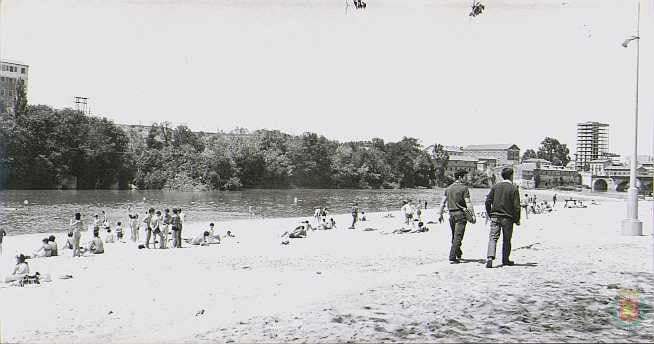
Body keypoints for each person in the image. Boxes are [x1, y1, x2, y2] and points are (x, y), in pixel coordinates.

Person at [485, 167, 521, 269]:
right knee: (507, 239)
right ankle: (505, 260)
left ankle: (490, 257)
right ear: (511, 176)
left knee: (493, 238)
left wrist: (490, 214)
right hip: (507, 218)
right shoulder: (513, 188)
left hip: (495, 216)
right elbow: (516, 206)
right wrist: (517, 219)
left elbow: (488, 201)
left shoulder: (495, 187)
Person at [439, 170, 476, 264]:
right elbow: (468, 202)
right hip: (461, 215)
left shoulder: (448, 188)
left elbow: (443, 202)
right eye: (465, 176)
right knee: (458, 236)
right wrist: (473, 214)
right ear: (460, 177)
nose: (467, 178)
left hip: (451, 214)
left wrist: (440, 214)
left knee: (454, 235)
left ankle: (458, 253)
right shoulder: (464, 188)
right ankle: (452, 256)